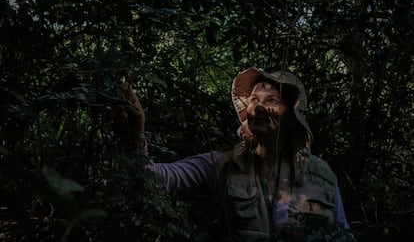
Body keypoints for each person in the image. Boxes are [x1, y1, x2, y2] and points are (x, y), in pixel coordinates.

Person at [114, 67, 355, 241]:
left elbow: (343, 235)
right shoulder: (223, 164)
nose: (259, 106)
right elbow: (154, 179)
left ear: (292, 116)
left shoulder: (321, 175)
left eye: (271, 100)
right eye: (253, 100)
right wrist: (134, 134)